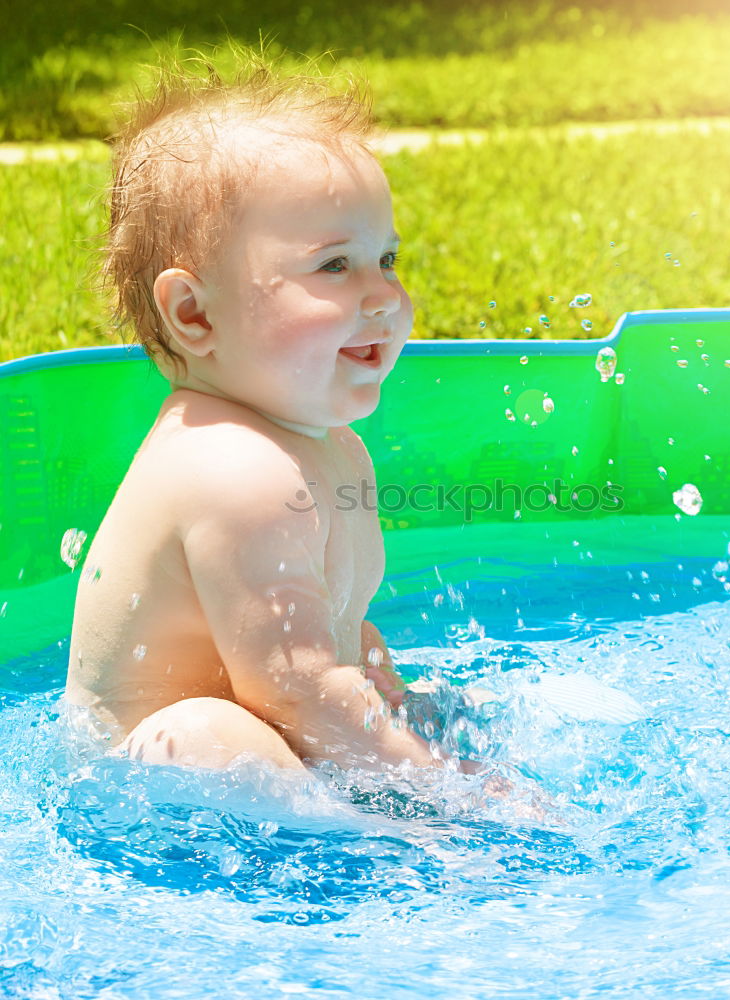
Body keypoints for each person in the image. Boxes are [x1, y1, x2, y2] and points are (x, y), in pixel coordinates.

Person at [65, 61, 457, 778]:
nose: (382, 296)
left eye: (386, 258)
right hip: (142, 788)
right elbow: (298, 686)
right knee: (204, 733)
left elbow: (332, 639)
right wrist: (449, 801)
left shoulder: (331, 448)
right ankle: (383, 840)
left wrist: (388, 693)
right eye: (334, 266)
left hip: (276, 757)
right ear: (195, 313)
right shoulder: (233, 470)